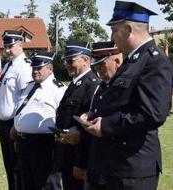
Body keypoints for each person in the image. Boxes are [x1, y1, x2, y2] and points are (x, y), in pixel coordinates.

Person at [80, 1, 173, 190]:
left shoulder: (154, 62)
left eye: (114, 30)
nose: (112, 38)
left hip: (131, 169)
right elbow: (116, 103)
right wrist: (93, 117)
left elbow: (153, 113)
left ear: (128, 29)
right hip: (110, 165)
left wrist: (105, 125)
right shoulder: (132, 61)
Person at [47, 40, 100, 190]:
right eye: (65, 61)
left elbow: (89, 127)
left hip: (78, 156)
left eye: (71, 60)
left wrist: (81, 163)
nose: (66, 64)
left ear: (86, 60)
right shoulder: (75, 84)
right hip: (66, 155)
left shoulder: (92, 85)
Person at [12, 51, 66, 190]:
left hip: (44, 146)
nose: (35, 71)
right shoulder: (29, 86)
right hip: (23, 144)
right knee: (26, 184)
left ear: (50, 68)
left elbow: (63, 119)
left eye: (39, 68)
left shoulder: (58, 90)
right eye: (33, 68)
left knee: (45, 185)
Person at [0, 30, 33, 190]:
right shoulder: (8, 66)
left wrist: (16, 126)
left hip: (15, 125)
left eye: (10, 46)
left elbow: (26, 99)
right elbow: (3, 97)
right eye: (5, 47)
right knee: (9, 168)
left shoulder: (24, 67)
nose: (7, 50)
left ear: (21, 44)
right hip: (4, 124)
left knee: (18, 170)